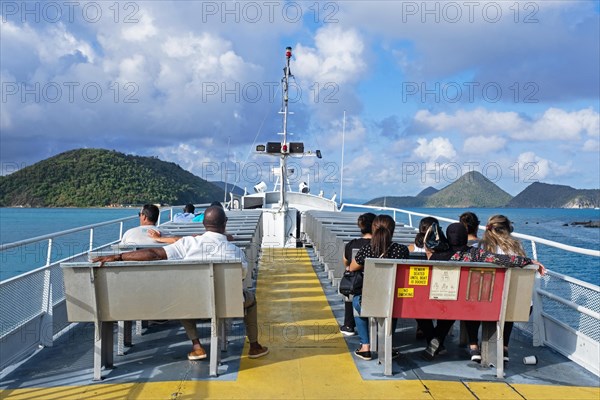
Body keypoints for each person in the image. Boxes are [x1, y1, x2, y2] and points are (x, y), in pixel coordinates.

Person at [92, 205, 269, 360]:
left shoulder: (187, 244)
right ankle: (254, 346)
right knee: (250, 299)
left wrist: (119, 256)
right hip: (227, 305)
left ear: (203, 225)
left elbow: (155, 254)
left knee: (181, 297)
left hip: (193, 304)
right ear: (225, 224)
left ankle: (197, 346)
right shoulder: (235, 252)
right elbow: (242, 276)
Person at [420, 222, 546, 361]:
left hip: (444, 299)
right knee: (464, 304)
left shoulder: (441, 255)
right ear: (464, 236)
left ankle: (437, 339)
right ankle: (476, 346)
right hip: (470, 300)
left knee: (450, 311)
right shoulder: (474, 253)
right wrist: (528, 261)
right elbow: (501, 259)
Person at [465, 215, 539, 362]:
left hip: (483, 302)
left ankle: (473, 345)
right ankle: (504, 347)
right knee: (509, 300)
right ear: (507, 230)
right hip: (511, 306)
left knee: (472, 299)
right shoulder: (517, 250)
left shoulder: (477, 247)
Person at [349, 214, 410, 361]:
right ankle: (388, 345)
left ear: (373, 229)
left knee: (357, 303)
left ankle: (365, 347)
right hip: (392, 299)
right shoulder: (401, 250)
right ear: (392, 230)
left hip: (368, 300)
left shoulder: (366, 250)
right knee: (392, 307)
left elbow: (352, 268)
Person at [339, 212, 376, 336]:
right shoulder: (380, 245)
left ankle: (349, 324)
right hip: (377, 284)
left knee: (351, 282)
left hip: (356, 285)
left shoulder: (352, 244)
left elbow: (345, 261)